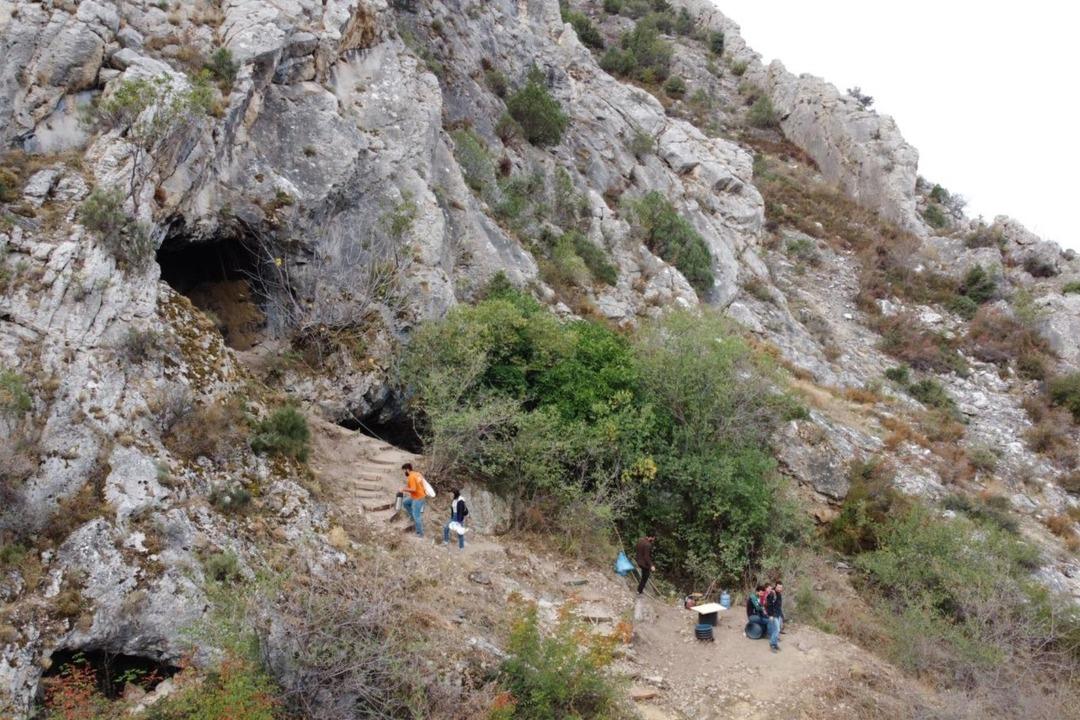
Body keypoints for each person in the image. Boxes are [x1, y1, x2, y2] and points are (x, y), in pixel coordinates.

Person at [746, 584, 780, 652]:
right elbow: (758, 608)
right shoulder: (753, 597)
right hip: (752, 617)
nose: (762, 594)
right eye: (761, 593)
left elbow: (761, 608)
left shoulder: (757, 597)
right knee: (769, 621)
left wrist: (765, 613)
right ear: (757, 591)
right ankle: (770, 635)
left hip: (756, 615)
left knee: (768, 619)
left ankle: (769, 634)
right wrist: (764, 611)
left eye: (763, 593)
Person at [400, 463, 426, 537]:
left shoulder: (411, 477)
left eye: (404, 470)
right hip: (419, 495)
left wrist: (403, 489)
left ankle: (420, 534)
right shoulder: (417, 474)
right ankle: (412, 517)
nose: (404, 472)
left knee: (417, 516)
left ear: (407, 469)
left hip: (418, 498)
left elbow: (413, 489)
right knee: (405, 503)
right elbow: (422, 483)